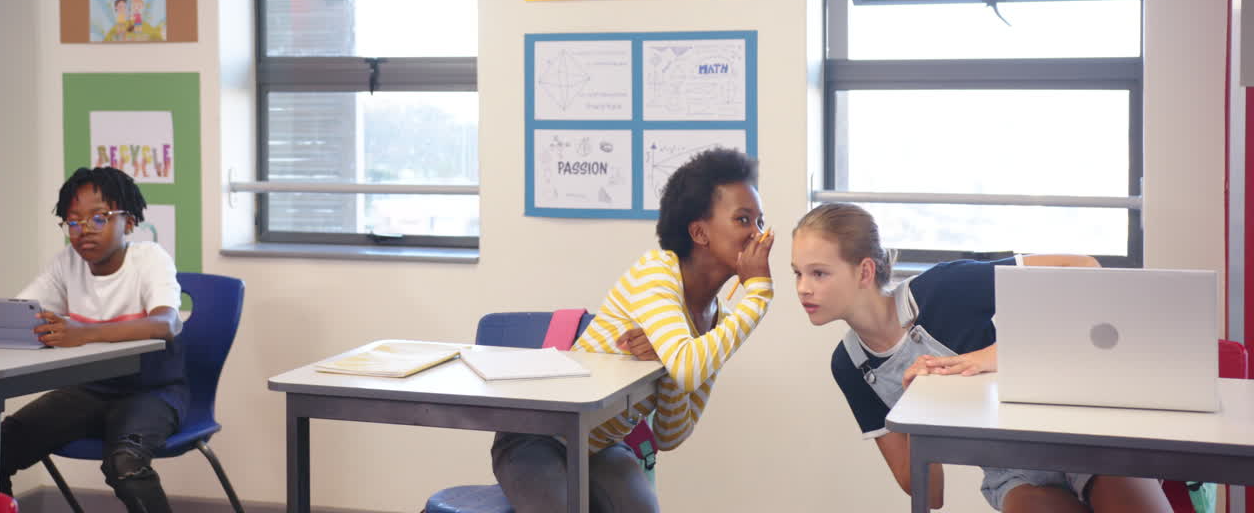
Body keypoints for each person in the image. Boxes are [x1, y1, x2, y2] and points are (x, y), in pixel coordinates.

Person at [791, 202, 1171, 513]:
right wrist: (915, 409)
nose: (803, 288)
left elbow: (1083, 267)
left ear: (864, 272)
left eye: (819, 273)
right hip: (1016, 474)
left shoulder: (944, 288)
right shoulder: (850, 365)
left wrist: (997, 355)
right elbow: (929, 494)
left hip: (1082, 437)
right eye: (797, 274)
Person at [492, 147, 775, 513]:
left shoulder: (717, 320)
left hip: (601, 444)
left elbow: (672, 434)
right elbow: (689, 367)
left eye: (760, 222)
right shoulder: (656, 271)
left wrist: (665, 365)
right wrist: (758, 294)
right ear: (699, 232)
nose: (759, 235)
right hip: (539, 435)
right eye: (743, 220)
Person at [0, 167, 185, 513]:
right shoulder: (66, 264)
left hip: (151, 391)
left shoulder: (149, 258)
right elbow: (21, 314)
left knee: (126, 465)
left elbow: (167, 323)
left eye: (98, 218)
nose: (84, 230)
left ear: (128, 223)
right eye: (73, 222)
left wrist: (85, 333)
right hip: (87, 391)